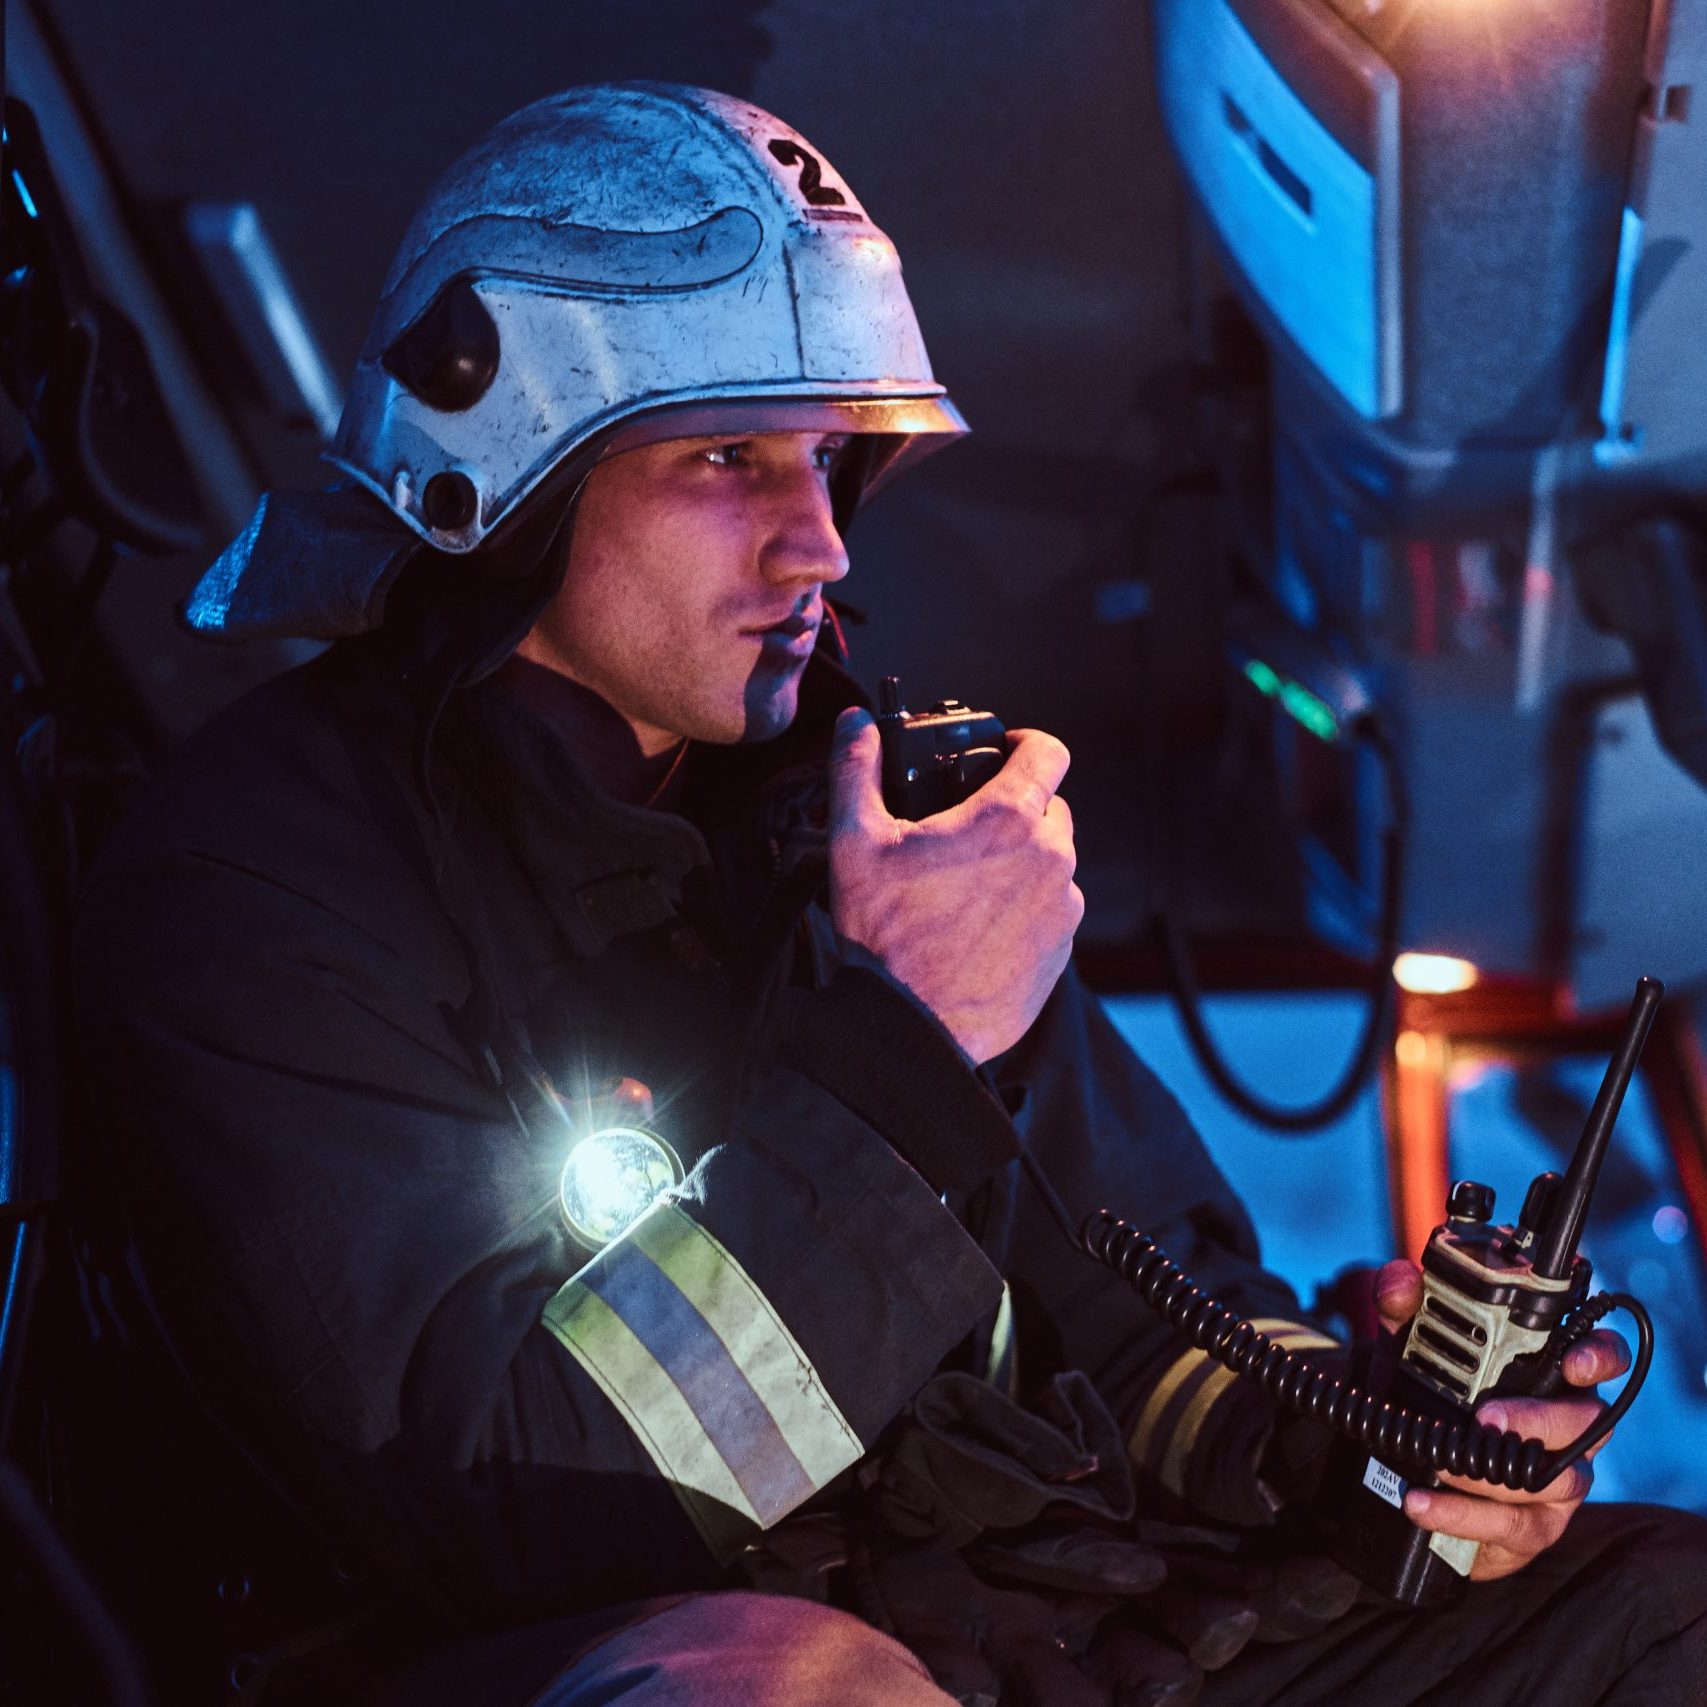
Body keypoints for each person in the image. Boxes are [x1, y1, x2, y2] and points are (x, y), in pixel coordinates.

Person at [72, 83, 1707, 1705]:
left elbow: (1147, 1329)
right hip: (630, 1654)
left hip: (1032, 1640)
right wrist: (908, 1039)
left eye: (829, 460)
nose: (822, 546)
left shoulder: (858, 816)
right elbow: (523, 1508)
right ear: (496, 474)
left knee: (1661, 1606)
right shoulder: (255, 880)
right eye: (728, 458)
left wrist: (1401, 1446)